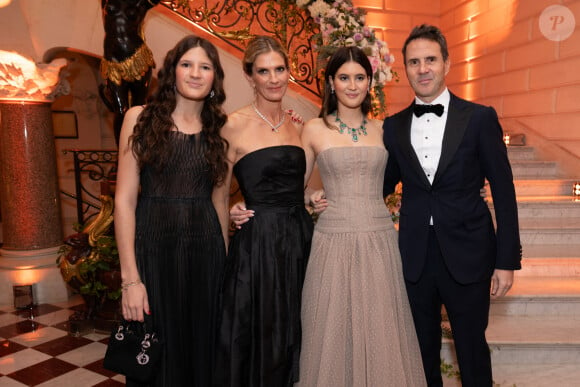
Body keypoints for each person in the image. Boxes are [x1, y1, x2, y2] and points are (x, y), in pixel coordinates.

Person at [382, 24, 522, 386]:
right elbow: (376, 186)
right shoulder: (392, 127)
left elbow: (504, 192)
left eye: (430, 59)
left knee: (472, 349)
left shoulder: (479, 118)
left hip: (470, 251)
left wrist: (506, 261)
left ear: (446, 63)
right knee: (421, 353)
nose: (422, 68)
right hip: (414, 256)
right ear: (405, 68)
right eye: (414, 62)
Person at [295, 46, 426, 386]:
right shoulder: (312, 129)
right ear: (330, 82)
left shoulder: (386, 130)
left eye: (359, 77)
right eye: (343, 78)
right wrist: (311, 196)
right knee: (332, 330)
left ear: (369, 82)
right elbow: (294, 189)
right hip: (332, 242)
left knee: (381, 329)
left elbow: (416, 177)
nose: (352, 85)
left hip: (379, 239)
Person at [114, 35, 229, 386]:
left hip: (205, 252)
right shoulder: (139, 118)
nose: (195, 73)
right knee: (156, 357)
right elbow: (124, 201)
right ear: (172, 72)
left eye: (205, 67)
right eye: (187, 64)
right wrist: (130, 280)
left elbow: (220, 202)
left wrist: (222, 267)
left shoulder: (218, 128)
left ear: (214, 79)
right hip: (154, 251)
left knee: (204, 352)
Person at [214, 35, 314, 387]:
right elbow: (219, 193)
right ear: (249, 76)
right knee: (262, 329)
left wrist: (311, 198)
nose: (274, 78)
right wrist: (229, 212)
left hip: (301, 239)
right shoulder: (232, 125)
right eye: (264, 71)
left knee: (301, 324)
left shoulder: (299, 125)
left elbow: (297, 186)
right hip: (258, 245)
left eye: (280, 69)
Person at [100, 0, 160, 144]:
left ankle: (140, 149)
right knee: (120, 111)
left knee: (138, 109)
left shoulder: (142, 2)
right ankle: (122, 152)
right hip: (112, 62)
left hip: (137, 59)